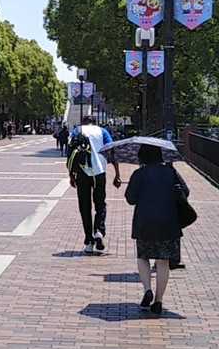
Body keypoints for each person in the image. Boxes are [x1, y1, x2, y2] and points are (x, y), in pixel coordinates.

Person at [124, 143, 187, 316]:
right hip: (168, 222)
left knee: (143, 257)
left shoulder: (139, 174)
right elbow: (185, 191)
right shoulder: (170, 172)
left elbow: (130, 198)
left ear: (142, 157)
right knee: (162, 261)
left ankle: (147, 289)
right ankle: (159, 300)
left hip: (144, 222)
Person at [67, 115, 121, 254]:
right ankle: (99, 231)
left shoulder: (77, 131)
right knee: (100, 204)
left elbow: (70, 153)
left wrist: (71, 174)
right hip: (99, 172)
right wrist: (117, 174)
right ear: (94, 123)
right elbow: (112, 152)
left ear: (83, 122)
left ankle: (88, 241)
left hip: (82, 172)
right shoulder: (102, 132)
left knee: (84, 207)